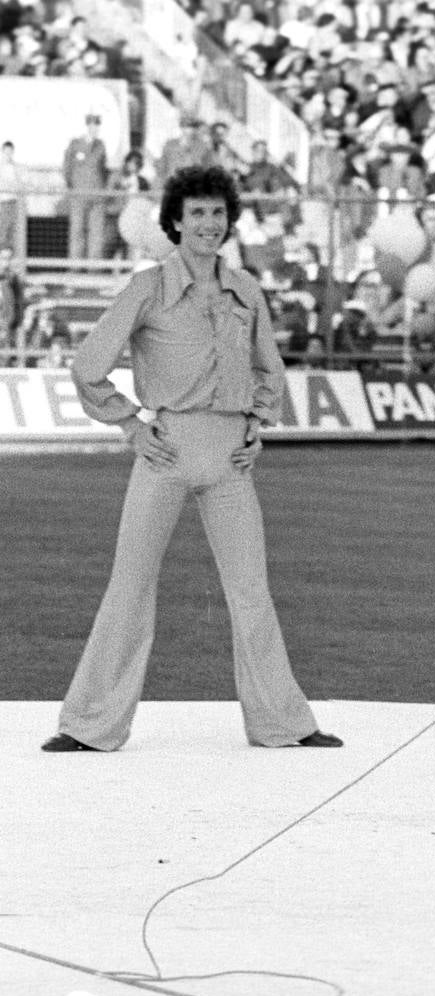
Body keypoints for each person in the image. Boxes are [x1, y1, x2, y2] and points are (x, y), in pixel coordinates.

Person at [41, 165, 343, 753]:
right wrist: (130, 425)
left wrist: (257, 422)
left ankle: (283, 724)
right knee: (130, 586)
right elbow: (88, 365)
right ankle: (88, 726)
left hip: (231, 460)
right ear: (176, 221)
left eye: (217, 213)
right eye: (197, 213)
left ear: (229, 221)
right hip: (166, 451)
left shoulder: (245, 289)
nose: (209, 223)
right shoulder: (147, 287)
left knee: (252, 591)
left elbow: (268, 367)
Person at [62, 112, 108, 260]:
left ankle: (94, 267)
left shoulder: (100, 145)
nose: (94, 128)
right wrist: (73, 187)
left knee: (96, 232)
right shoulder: (75, 144)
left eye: (97, 125)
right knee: (77, 230)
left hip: (96, 195)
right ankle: (75, 265)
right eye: (92, 125)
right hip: (79, 194)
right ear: (87, 126)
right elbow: (67, 168)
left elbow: (103, 170)